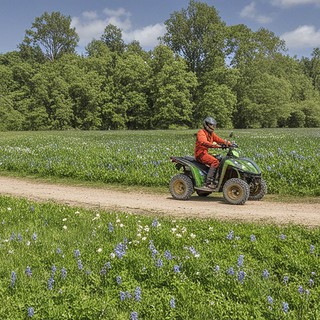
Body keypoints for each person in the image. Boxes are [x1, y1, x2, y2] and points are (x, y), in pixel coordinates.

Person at [195, 116, 230, 189]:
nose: (213, 127)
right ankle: (208, 183)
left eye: (214, 125)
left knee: (221, 159)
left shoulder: (211, 134)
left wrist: (228, 143)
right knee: (215, 162)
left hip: (205, 153)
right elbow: (203, 141)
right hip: (200, 154)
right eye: (211, 125)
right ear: (206, 125)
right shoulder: (201, 132)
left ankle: (216, 180)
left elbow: (219, 139)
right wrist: (215, 145)